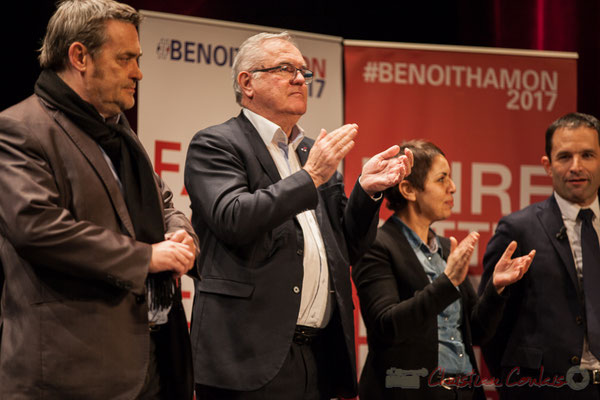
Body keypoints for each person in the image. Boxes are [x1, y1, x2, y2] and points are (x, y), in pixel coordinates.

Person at [184, 31, 413, 399]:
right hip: (247, 358)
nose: (299, 80)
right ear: (248, 83)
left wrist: (367, 193)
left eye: (304, 72)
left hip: (317, 356)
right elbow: (233, 218)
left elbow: (346, 248)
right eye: (285, 69)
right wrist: (311, 176)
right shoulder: (216, 144)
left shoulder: (310, 150)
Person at [0, 1, 198, 399]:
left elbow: (163, 200)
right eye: (125, 58)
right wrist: (147, 257)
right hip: (70, 374)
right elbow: (37, 228)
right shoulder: (19, 128)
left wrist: (179, 234)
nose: (138, 72)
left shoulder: (117, 130)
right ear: (79, 57)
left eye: (137, 59)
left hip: (152, 363)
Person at [352, 140, 535, 400]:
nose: (453, 187)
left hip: (464, 390)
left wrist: (496, 288)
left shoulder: (445, 251)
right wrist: (447, 282)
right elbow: (386, 326)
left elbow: (478, 331)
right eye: (442, 179)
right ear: (408, 189)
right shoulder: (377, 246)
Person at [479, 112, 600, 399]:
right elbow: (489, 326)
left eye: (587, 155)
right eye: (564, 157)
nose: (576, 166)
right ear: (547, 165)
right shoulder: (517, 229)